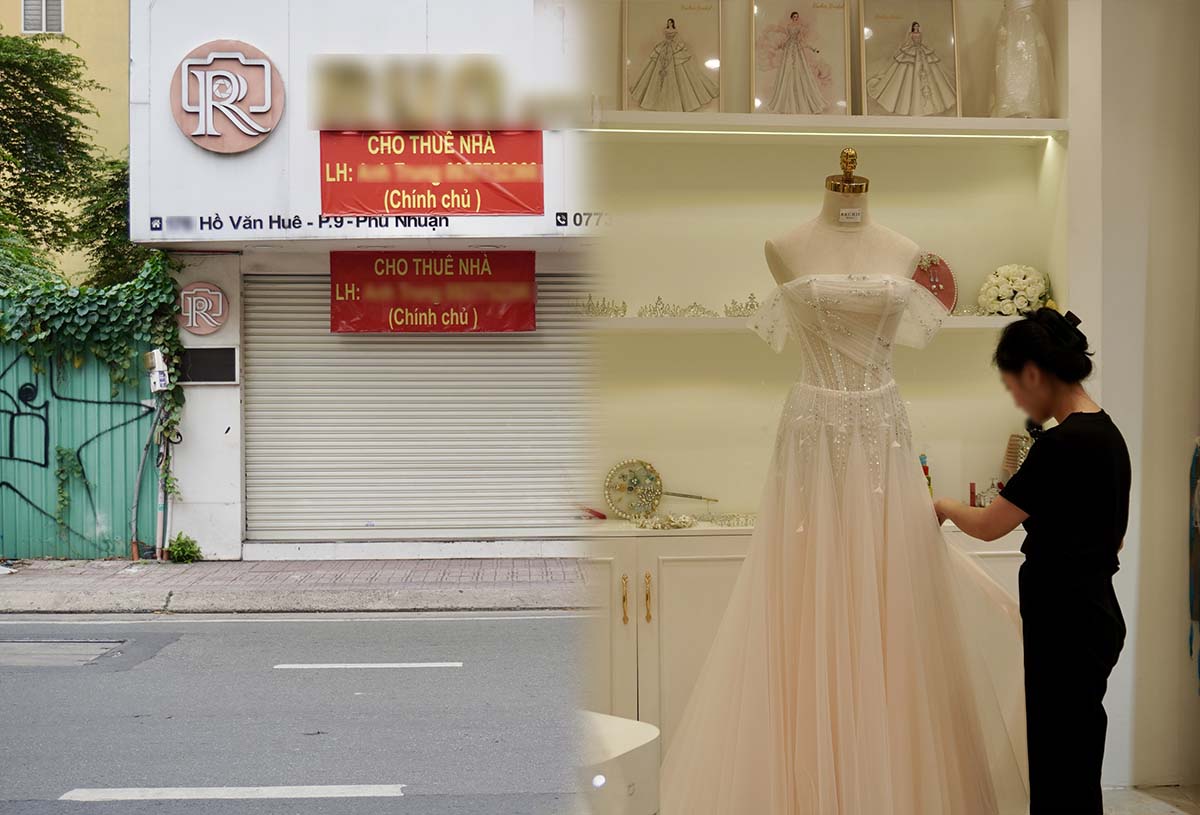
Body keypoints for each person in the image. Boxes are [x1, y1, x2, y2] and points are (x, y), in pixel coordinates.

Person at [935, 307, 1129, 815]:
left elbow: (989, 524)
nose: (1017, 400)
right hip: (1096, 614)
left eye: (1013, 387)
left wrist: (942, 505)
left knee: (1059, 757)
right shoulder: (1109, 436)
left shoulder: (1061, 445)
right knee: (1078, 753)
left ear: (1034, 374)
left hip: (1065, 622)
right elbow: (1116, 540)